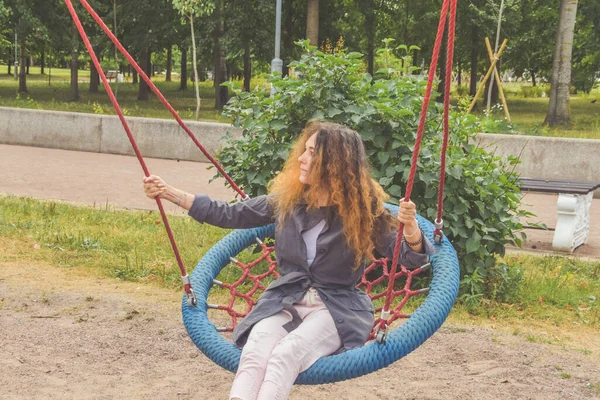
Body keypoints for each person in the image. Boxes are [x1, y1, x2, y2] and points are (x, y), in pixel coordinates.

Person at [143, 120, 434, 400]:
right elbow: (228, 213)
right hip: (287, 298)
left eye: (311, 152)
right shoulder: (288, 201)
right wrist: (168, 192)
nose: (302, 159)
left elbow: (409, 259)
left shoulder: (363, 211)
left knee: (286, 353)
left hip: (336, 309)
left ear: (334, 163)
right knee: (255, 350)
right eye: (304, 150)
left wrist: (411, 229)